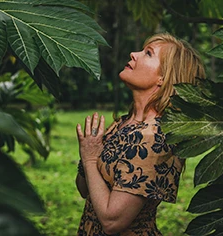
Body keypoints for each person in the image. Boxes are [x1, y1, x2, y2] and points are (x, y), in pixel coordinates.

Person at [75, 32, 205, 235]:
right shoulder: (123, 124)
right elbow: (85, 190)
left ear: (164, 78)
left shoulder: (153, 139)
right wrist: (87, 153)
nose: (134, 54)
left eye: (148, 53)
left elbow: (112, 221)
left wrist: (91, 158)